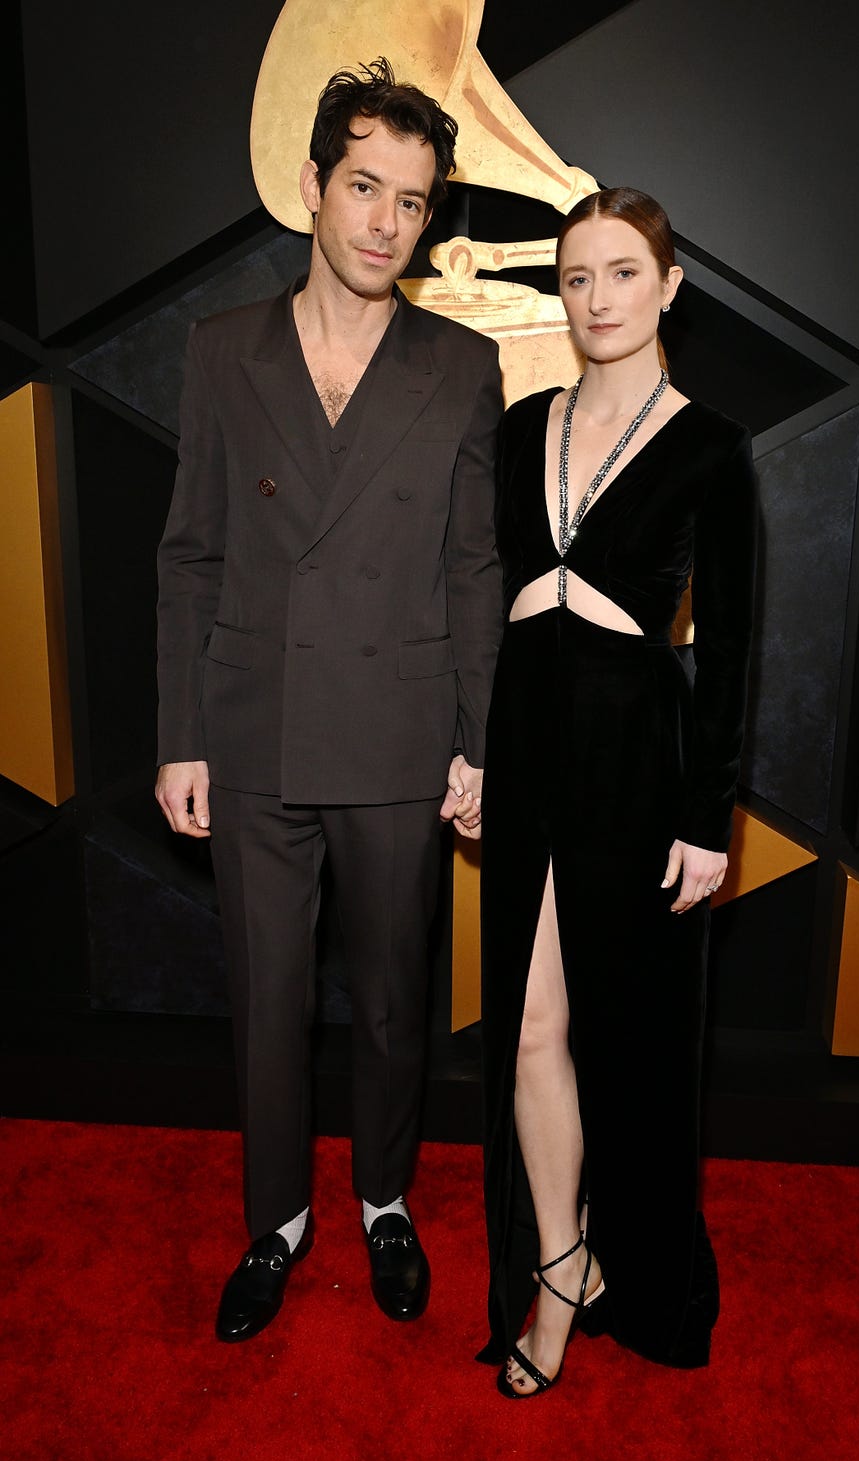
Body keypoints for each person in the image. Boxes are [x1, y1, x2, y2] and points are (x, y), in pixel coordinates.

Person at [155, 58, 501, 1342]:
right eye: (364, 187)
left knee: (397, 997)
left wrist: (477, 736)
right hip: (249, 731)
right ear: (312, 187)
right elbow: (188, 551)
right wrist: (180, 737)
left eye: (410, 202)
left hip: (401, 733)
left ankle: (385, 1204)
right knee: (266, 997)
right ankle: (278, 1221)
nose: (383, 223)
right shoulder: (219, 350)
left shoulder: (461, 367)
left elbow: (473, 564)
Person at [477, 187, 757, 1396]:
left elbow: (735, 646)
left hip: (636, 751)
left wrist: (709, 817)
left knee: (623, 1038)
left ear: (668, 285)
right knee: (530, 1027)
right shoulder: (520, 424)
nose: (595, 298)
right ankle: (557, 1264)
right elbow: (485, 604)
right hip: (524, 735)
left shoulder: (707, 445)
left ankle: (629, 1269)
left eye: (620, 274)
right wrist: (470, 752)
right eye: (576, 277)